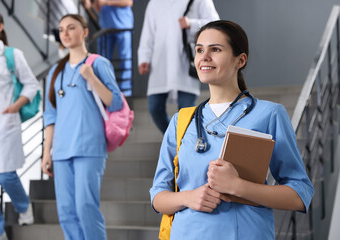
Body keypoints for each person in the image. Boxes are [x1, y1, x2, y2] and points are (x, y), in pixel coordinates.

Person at [150, 20, 314, 239]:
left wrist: (238, 186)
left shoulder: (269, 114)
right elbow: (158, 196)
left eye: (215, 49)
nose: (204, 57)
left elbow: (299, 194)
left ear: (241, 60)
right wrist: (187, 198)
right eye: (199, 50)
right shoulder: (182, 120)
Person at [41, 14, 123, 240]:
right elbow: (50, 115)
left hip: (89, 147)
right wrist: (46, 152)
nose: (65, 33)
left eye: (71, 28)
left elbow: (116, 102)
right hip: (61, 151)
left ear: (85, 32)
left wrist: (92, 79)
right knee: (66, 212)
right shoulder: (55, 72)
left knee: (86, 208)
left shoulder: (97, 63)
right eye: (61, 29)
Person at [0, 9, 38, 240]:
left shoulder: (12, 54)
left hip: (5, 124)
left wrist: (16, 105)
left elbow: (31, 85)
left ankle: (24, 206)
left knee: (5, 176)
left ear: (0, 26)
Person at [138, 0, 219, 134]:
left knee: (185, 113)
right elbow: (148, 33)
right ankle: (177, 141)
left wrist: (191, 24)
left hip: (185, 64)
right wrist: (144, 58)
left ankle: (181, 145)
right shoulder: (155, 3)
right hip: (160, 64)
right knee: (155, 108)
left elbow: (215, 24)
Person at [90, 0, 134, 97]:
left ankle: (125, 92)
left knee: (125, 60)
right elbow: (97, 6)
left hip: (123, 25)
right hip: (105, 27)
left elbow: (128, 2)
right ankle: (104, 88)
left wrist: (106, 2)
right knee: (102, 60)